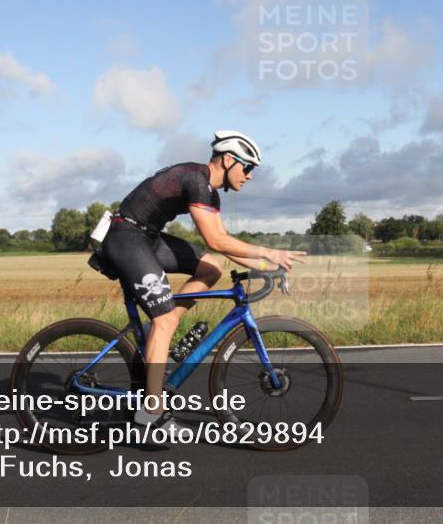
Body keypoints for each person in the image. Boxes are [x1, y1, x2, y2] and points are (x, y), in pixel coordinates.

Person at [102, 130, 307, 436]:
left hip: (147, 237)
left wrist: (267, 265)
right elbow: (216, 238)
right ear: (227, 160)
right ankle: (151, 412)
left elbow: (223, 247)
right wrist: (267, 250)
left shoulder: (210, 192)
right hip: (126, 239)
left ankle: (163, 324)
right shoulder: (196, 180)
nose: (249, 176)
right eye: (247, 167)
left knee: (211, 268)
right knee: (164, 323)